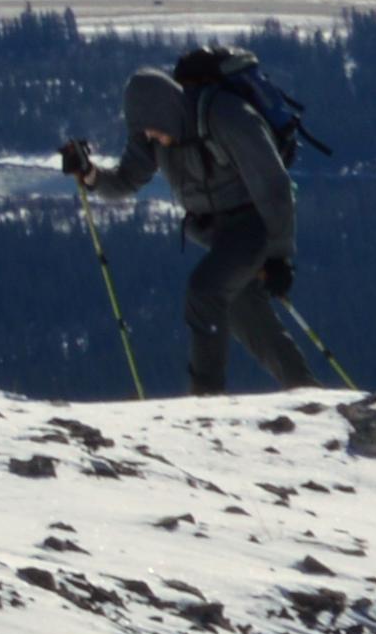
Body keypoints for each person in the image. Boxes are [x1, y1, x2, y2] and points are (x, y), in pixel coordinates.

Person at [62, 45, 318, 394]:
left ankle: (205, 396)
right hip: (218, 231)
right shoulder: (155, 129)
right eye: (145, 132)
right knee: (244, 313)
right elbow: (126, 181)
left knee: (205, 290)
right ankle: (307, 393)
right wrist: (90, 174)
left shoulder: (228, 117)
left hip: (254, 223)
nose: (151, 138)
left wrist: (279, 257)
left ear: (167, 111)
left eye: (153, 130)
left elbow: (273, 184)